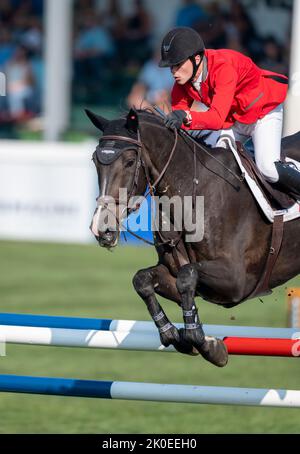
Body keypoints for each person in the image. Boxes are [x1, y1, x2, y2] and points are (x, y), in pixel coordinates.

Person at [160, 27, 300, 196]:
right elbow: (180, 118)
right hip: (234, 120)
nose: (173, 72)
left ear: (196, 58)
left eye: (177, 65)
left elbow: (216, 119)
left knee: (268, 168)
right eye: (171, 67)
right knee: (210, 161)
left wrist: (187, 117)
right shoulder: (182, 82)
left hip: (263, 114)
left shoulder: (223, 67)